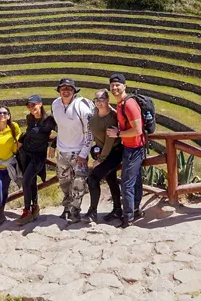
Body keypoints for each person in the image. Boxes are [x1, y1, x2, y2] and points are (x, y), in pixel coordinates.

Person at [51, 78, 93, 223]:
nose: (66, 91)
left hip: (78, 151)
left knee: (79, 183)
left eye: (69, 88)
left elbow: (89, 132)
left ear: (74, 91)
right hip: (62, 151)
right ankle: (67, 208)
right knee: (64, 182)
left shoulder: (82, 107)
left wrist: (84, 153)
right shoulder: (55, 104)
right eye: (63, 88)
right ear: (59, 91)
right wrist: (54, 145)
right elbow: (60, 127)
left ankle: (75, 211)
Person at [107, 73, 146, 228]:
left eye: (118, 85)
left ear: (125, 86)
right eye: (112, 85)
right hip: (129, 147)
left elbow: (137, 130)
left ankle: (128, 218)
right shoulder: (121, 104)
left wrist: (118, 134)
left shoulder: (129, 104)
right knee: (135, 181)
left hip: (135, 149)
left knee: (127, 184)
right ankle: (135, 210)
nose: (114, 88)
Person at [84, 89, 123, 224]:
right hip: (102, 151)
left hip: (113, 152)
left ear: (107, 100)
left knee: (93, 178)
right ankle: (117, 210)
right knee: (111, 180)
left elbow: (109, 142)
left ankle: (92, 212)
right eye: (96, 99)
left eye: (102, 99)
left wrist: (100, 160)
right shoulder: (95, 112)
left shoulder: (111, 119)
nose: (99, 102)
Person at [16, 95, 56, 225]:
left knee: (26, 180)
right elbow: (28, 133)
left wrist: (53, 146)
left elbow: (62, 132)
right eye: (29, 105)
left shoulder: (49, 120)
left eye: (33, 105)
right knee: (31, 181)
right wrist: (20, 141)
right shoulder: (30, 118)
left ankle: (26, 211)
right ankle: (35, 207)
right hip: (26, 154)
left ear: (40, 104)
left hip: (38, 156)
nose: (31, 108)